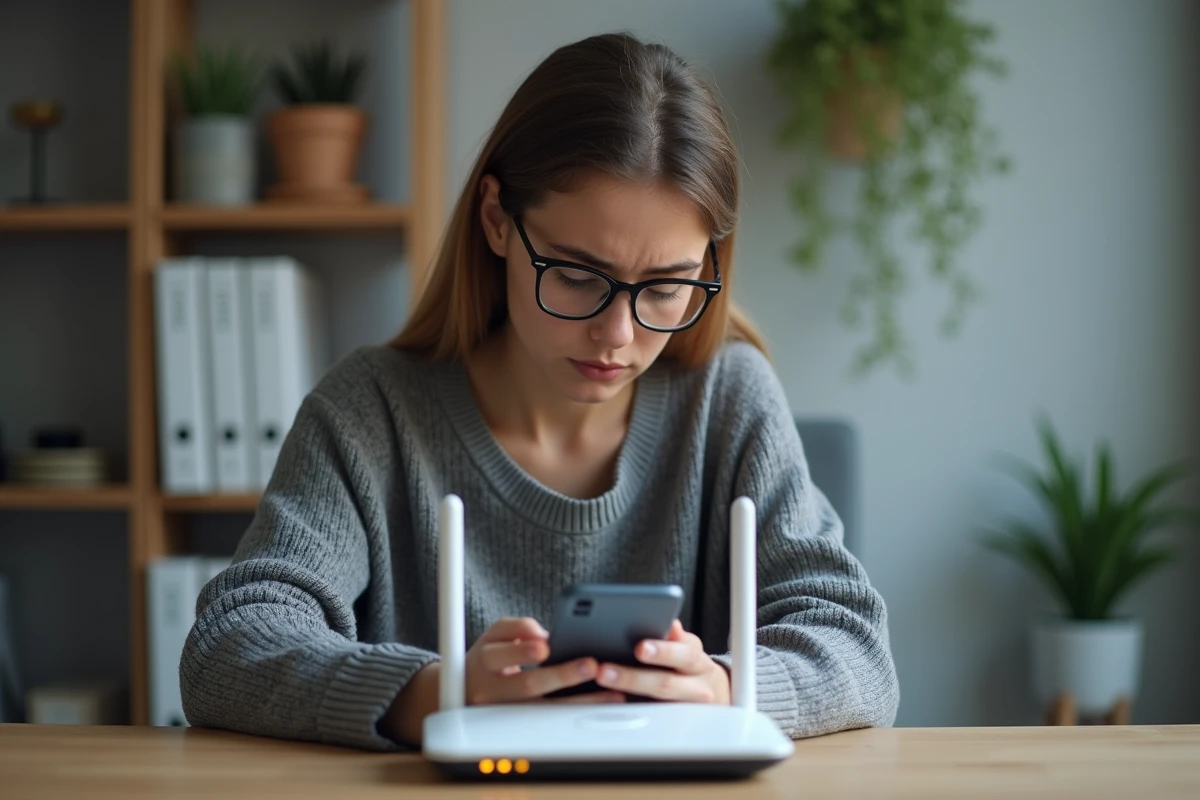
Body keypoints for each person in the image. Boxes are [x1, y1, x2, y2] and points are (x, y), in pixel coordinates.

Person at [180, 31, 899, 751]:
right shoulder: (370, 411)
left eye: (666, 287)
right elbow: (227, 646)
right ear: (496, 219)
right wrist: (440, 695)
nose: (618, 334)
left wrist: (726, 688)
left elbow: (858, 651)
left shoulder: (730, 396)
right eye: (579, 276)